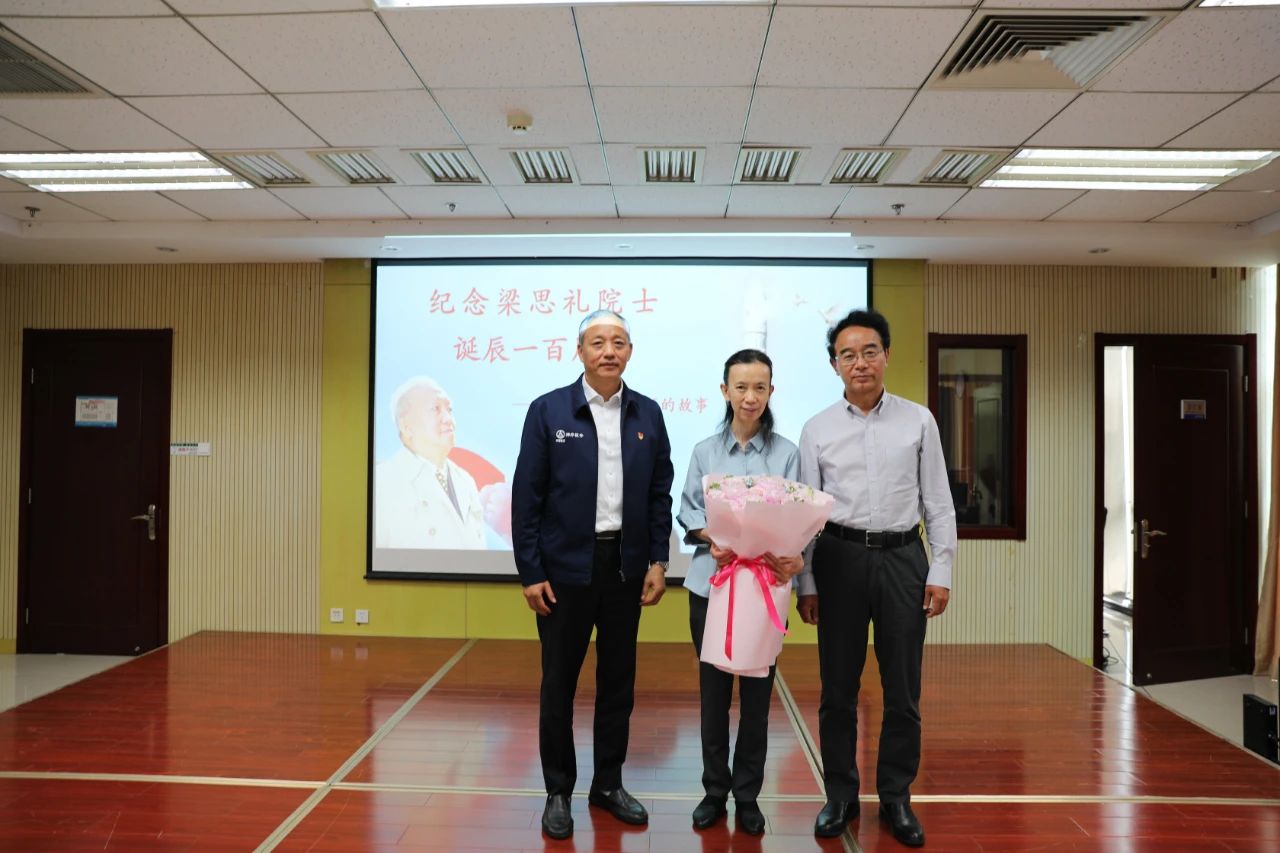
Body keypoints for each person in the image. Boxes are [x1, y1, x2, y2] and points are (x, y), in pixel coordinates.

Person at [512, 309, 674, 840]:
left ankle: (608, 784)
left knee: (618, 684)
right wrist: (531, 571)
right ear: (579, 351)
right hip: (564, 570)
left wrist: (658, 561)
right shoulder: (548, 410)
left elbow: (659, 496)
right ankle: (558, 790)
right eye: (598, 342)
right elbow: (527, 497)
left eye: (619, 342)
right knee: (558, 683)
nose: (609, 351)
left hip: (624, 568)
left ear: (631, 352)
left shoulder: (648, 413)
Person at [796, 308, 955, 848]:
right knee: (837, 689)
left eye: (869, 352)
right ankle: (840, 795)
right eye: (848, 354)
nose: (859, 363)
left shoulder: (919, 421)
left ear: (886, 355)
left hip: (903, 558)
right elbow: (806, 514)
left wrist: (940, 570)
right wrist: (807, 583)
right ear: (834, 364)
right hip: (838, 559)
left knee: (903, 689)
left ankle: (895, 796)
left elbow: (938, 502)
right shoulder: (817, 429)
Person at [677, 349, 804, 836]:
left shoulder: (787, 454)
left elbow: (798, 517)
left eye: (760, 387)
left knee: (756, 697)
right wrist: (712, 536)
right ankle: (714, 791)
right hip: (711, 586)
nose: (750, 397)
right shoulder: (705, 452)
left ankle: (747, 794)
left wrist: (784, 546)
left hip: (765, 588)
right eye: (741, 387)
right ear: (725, 390)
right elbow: (689, 510)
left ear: (771, 391)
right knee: (713, 696)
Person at [374, 376, 486, 549]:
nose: (448, 419)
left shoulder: (465, 480)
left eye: (449, 409)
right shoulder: (382, 480)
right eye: (435, 409)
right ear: (406, 426)